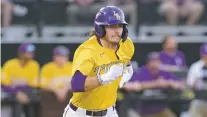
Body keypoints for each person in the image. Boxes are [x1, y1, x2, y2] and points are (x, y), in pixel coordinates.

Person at [63, 6, 135, 117]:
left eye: (120, 26)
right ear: (100, 28)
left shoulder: (127, 44)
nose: (117, 31)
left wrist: (127, 70)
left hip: (109, 111)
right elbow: (76, 84)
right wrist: (104, 77)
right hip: (81, 113)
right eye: (111, 26)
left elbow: (126, 61)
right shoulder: (88, 51)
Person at [124, 52, 183, 117]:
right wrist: (155, 84)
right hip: (143, 110)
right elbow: (128, 86)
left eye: (158, 61)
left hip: (161, 109)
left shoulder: (163, 72)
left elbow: (180, 84)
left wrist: (169, 83)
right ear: (148, 63)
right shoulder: (141, 72)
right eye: (153, 61)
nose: (156, 63)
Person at [1, 43, 40, 117]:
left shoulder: (34, 65)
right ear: (21, 53)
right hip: (11, 93)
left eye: (31, 53)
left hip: (28, 93)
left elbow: (33, 84)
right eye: (28, 53)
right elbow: (4, 84)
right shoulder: (10, 64)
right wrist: (17, 93)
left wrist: (18, 87)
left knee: (31, 99)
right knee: (17, 101)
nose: (30, 55)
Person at [40, 45, 72, 117]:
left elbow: (78, 82)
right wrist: (56, 90)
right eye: (59, 56)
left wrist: (66, 89)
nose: (61, 59)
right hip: (51, 97)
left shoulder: (72, 66)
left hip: (69, 96)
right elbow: (42, 83)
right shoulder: (47, 67)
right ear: (54, 57)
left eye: (63, 56)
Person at [187, 43, 207, 117]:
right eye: (205, 55)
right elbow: (189, 84)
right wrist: (198, 79)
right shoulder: (196, 66)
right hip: (199, 99)